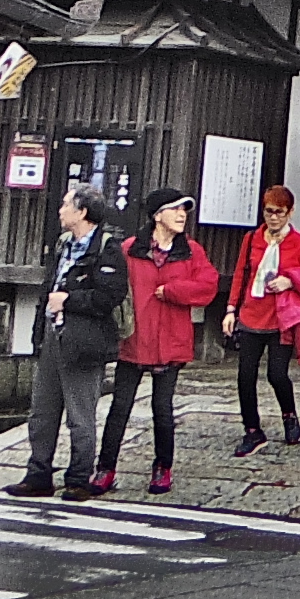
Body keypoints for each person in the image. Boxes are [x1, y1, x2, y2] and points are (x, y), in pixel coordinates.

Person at [98, 187, 219, 494]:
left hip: (171, 341)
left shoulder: (192, 250)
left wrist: (174, 291)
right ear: (157, 215)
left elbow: (208, 287)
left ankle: (163, 468)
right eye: (175, 209)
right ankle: (105, 469)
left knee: (162, 408)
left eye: (184, 210)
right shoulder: (130, 248)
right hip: (134, 339)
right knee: (120, 407)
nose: (182, 215)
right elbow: (111, 285)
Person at [16, 186, 128, 499]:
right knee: (42, 411)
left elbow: (109, 296)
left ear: (82, 212)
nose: (61, 209)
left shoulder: (107, 248)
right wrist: (39, 331)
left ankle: (79, 477)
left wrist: (69, 300)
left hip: (84, 340)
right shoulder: (63, 244)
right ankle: (38, 474)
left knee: (80, 414)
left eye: (67, 204)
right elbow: (47, 289)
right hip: (54, 334)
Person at [227, 185, 300, 455]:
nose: (273, 217)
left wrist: (290, 281)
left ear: (290, 212)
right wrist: (230, 309)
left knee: (277, 374)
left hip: (282, 317)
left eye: (279, 212)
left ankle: (289, 414)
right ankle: (252, 430)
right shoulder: (251, 239)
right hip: (251, 313)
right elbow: (241, 274)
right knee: (245, 376)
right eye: (269, 211)